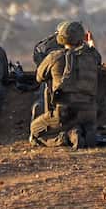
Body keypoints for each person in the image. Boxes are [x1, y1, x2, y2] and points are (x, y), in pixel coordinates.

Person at [30, 20, 102, 149]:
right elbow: (96, 56)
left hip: (65, 112)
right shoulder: (92, 56)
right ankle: (86, 132)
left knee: (35, 130)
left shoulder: (54, 57)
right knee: (79, 123)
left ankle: (66, 138)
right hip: (89, 112)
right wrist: (90, 43)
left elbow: (39, 78)